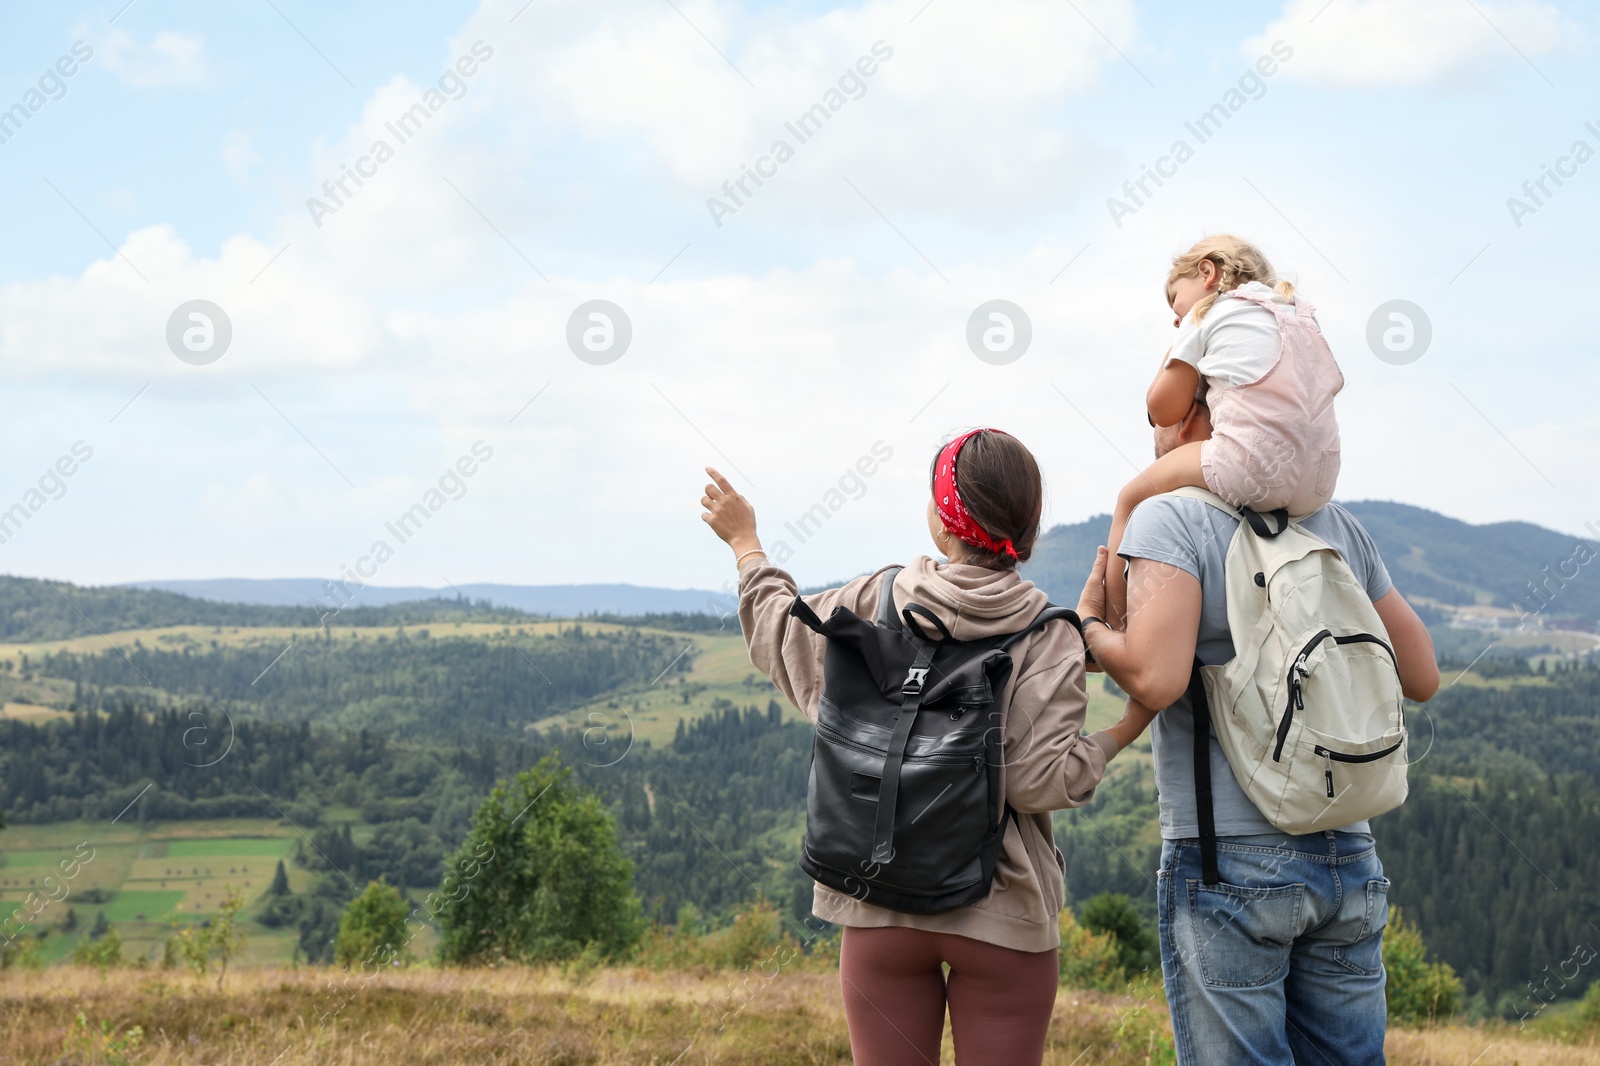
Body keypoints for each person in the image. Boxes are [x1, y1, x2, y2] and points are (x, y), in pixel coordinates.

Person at [699, 428, 1156, 1066]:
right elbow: (1034, 782)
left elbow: (781, 632)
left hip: (878, 900)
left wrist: (746, 544)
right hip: (999, 910)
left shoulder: (877, 598)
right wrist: (1129, 723)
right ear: (1028, 530)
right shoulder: (1047, 633)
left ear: (943, 524)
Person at [1076, 396, 1440, 1066]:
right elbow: (1421, 676)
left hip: (1231, 861)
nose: (1155, 428)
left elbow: (1153, 680)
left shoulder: (1170, 518)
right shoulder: (1334, 524)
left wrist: (1091, 627)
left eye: (1157, 411)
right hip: (1351, 856)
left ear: (1191, 416)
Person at [1102, 234, 1345, 628]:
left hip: (1250, 467)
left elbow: (1163, 410)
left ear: (1207, 272)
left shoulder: (1210, 312)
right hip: (1320, 484)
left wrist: (1180, 348)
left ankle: (1113, 624)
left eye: (1175, 301)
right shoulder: (1298, 313)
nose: (1175, 317)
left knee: (1129, 499)